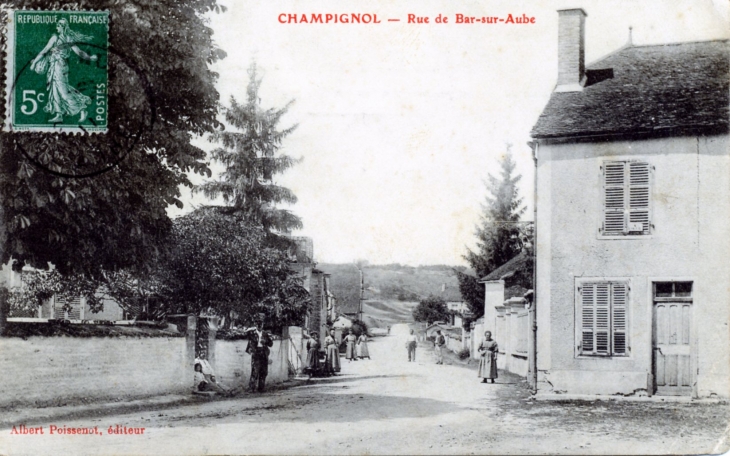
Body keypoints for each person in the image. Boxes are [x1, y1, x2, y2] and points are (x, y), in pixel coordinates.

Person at [30, 18, 98, 123]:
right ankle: (59, 114)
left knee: (63, 91)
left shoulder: (64, 38)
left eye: (58, 25)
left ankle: (82, 109)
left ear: (62, 27)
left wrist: (89, 58)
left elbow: (79, 52)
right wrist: (34, 62)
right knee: (55, 90)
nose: (56, 27)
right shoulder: (57, 38)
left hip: (60, 67)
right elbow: (45, 51)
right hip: (54, 66)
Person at [244, 320, 274, 392]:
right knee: (255, 371)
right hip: (256, 353)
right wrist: (251, 351)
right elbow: (246, 335)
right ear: (256, 325)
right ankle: (252, 388)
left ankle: (261, 388)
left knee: (263, 371)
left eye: (261, 325)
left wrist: (265, 341)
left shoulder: (265, 334)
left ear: (262, 325)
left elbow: (271, 344)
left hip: (263, 353)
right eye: (258, 325)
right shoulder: (252, 333)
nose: (260, 326)